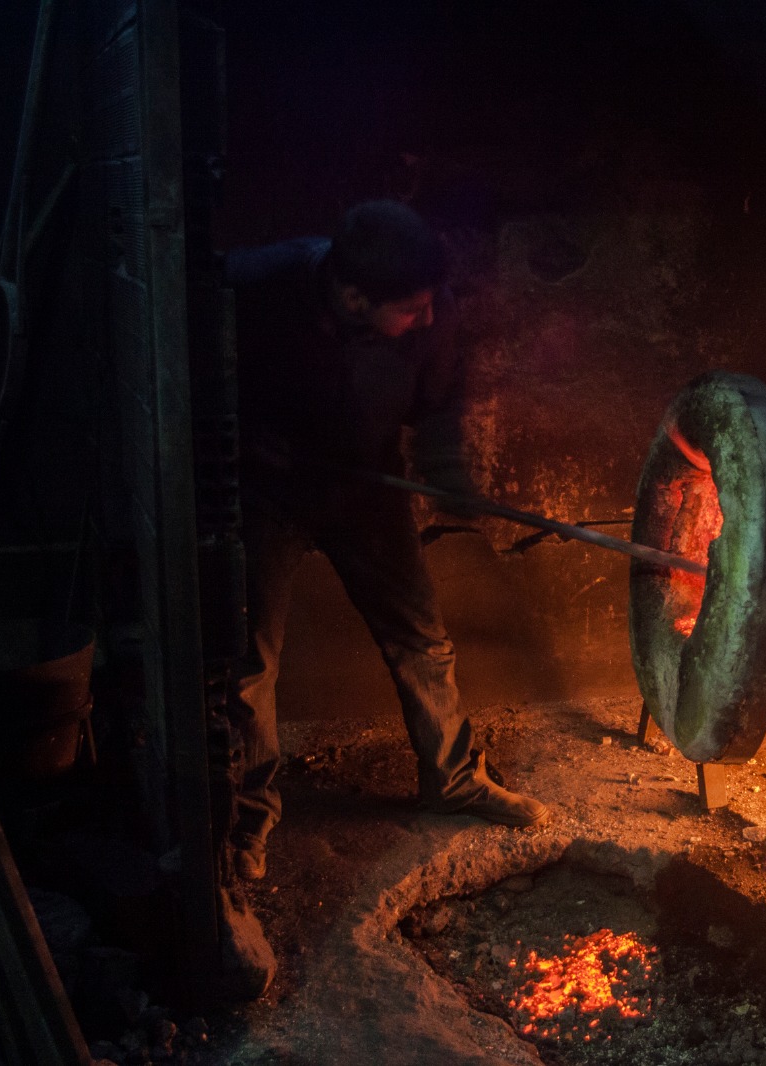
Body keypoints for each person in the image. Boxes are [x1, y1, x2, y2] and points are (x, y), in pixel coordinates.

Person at [222, 200, 547, 882]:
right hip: (269, 495)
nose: (427, 319)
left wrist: (450, 477)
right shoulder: (255, 288)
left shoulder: (432, 312)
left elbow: (439, 406)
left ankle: (451, 779)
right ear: (351, 297)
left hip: (367, 488)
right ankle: (245, 818)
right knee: (250, 663)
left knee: (421, 637)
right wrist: (243, 439)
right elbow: (190, 376)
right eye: (411, 309)